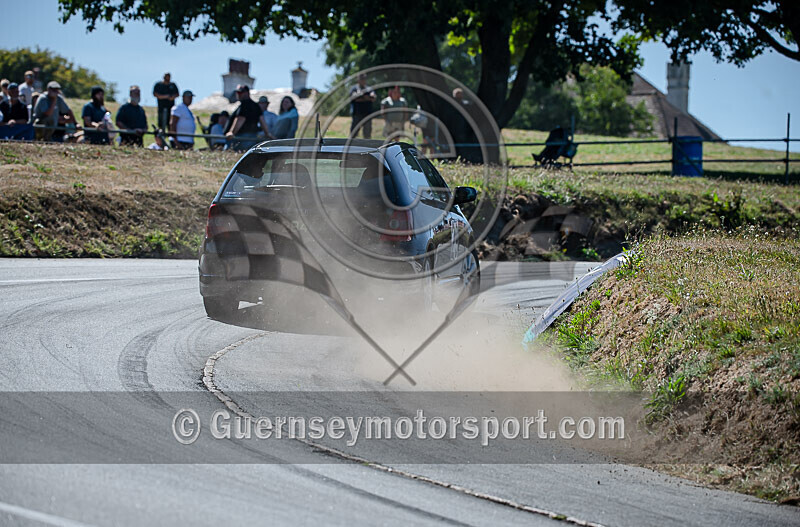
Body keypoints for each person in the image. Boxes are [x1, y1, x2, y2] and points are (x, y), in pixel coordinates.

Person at [225, 85, 269, 151]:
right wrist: (267, 134)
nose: (238, 95)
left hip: (241, 138)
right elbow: (262, 121)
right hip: (252, 138)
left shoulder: (244, 105)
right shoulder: (256, 105)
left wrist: (231, 132)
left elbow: (240, 119)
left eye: (240, 93)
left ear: (247, 93)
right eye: (237, 93)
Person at [349, 73, 376, 139]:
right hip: (357, 114)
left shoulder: (369, 88)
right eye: (361, 79)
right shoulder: (354, 88)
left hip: (367, 114)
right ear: (358, 80)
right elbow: (354, 97)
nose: (363, 80)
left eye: (364, 79)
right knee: (353, 134)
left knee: (367, 134)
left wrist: (361, 97)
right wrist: (366, 98)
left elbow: (373, 97)